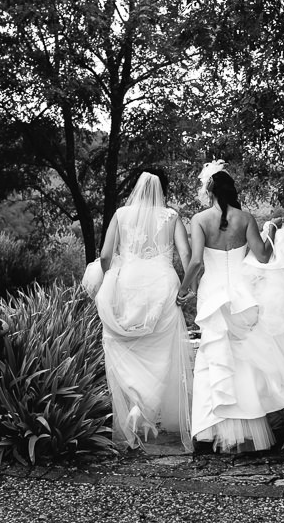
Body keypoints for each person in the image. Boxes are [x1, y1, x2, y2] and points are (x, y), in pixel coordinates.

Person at [178, 161, 284, 466]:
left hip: (214, 295)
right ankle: (247, 436)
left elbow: (195, 262)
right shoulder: (245, 218)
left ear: (209, 190)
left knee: (216, 359)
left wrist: (184, 289)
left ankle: (213, 433)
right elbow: (262, 255)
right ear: (230, 189)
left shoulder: (198, 219)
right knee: (247, 363)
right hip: (245, 296)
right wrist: (270, 230)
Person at [95, 169, 195, 452]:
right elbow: (186, 255)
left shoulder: (121, 214)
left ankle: (135, 406)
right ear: (163, 190)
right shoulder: (171, 215)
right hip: (162, 286)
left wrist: (111, 276)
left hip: (128, 284)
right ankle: (147, 409)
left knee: (130, 348)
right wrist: (189, 286)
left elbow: (104, 255)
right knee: (162, 352)